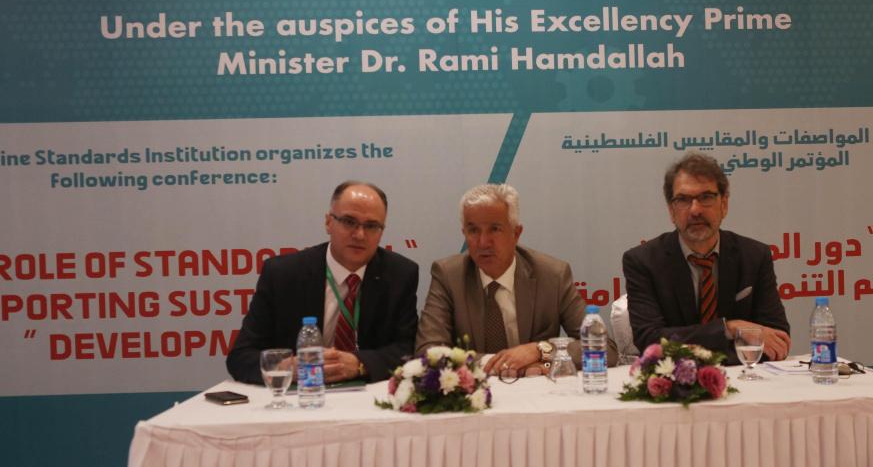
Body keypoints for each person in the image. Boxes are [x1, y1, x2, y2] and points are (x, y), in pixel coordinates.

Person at [227, 181, 419, 384]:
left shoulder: (400, 274)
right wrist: (286, 367)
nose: (359, 235)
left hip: (366, 395)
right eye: (349, 222)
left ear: (382, 231)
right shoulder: (283, 274)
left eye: (371, 226)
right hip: (303, 393)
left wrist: (360, 363)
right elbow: (241, 356)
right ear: (328, 222)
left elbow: (407, 349)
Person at [416, 183, 617, 374]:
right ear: (464, 233)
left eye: (495, 229)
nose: (483, 242)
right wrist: (498, 364)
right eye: (473, 230)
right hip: (475, 391)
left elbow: (604, 349)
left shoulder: (552, 275)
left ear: (516, 233)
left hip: (538, 392)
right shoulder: (449, 276)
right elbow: (428, 352)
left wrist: (540, 350)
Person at [622, 153, 790, 364]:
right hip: (676, 380)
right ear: (671, 211)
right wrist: (728, 328)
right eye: (683, 200)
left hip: (744, 379)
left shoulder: (754, 256)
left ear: (724, 204)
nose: (695, 210)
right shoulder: (643, 261)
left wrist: (697, 351)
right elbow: (651, 340)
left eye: (706, 197)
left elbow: (776, 338)